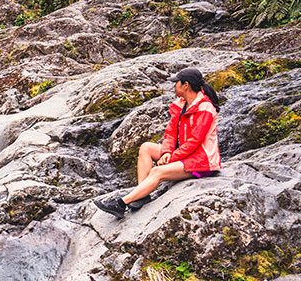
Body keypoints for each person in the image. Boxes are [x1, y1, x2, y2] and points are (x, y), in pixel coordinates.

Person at [94, 67, 221, 218]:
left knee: (156, 172)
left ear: (185, 85)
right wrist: (167, 152)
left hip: (201, 161)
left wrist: (172, 157)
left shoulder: (205, 108)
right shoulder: (182, 105)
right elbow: (171, 133)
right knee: (146, 148)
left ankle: (121, 204)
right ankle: (142, 195)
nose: (174, 86)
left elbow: (195, 141)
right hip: (184, 155)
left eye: (176, 83)